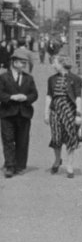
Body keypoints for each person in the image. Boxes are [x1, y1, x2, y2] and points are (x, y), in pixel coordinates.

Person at [0, 49, 39, 178]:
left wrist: (26, 98)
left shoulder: (29, 78)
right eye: (21, 62)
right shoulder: (4, 77)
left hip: (24, 114)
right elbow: (1, 94)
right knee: (8, 140)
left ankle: (20, 165)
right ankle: (10, 166)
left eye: (25, 63)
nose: (24, 65)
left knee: (22, 140)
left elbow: (34, 94)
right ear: (14, 62)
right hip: (7, 113)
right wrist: (11, 97)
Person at [44, 55, 82, 178]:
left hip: (69, 111)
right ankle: (57, 160)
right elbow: (49, 96)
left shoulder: (75, 79)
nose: (52, 65)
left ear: (61, 64)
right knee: (56, 137)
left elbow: (78, 97)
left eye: (54, 62)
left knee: (71, 138)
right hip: (55, 110)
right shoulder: (51, 79)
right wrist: (46, 113)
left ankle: (70, 165)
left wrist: (78, 114)